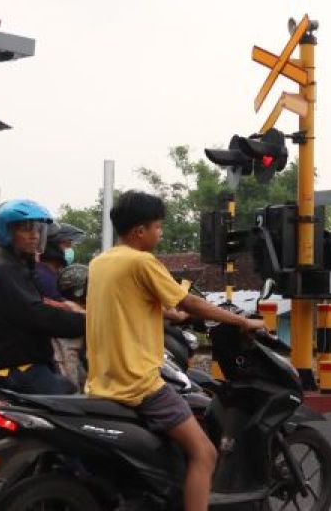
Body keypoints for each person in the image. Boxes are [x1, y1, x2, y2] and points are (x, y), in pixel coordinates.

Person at [86, 190, 263, 511]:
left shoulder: (100, 262)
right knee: (205, 453)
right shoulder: (142, 261)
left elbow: (131, 302)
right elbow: (190, 301)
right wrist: (240, 321)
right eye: (158, 227)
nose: (160, 233)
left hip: (101, 381)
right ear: (140, 231)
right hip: (138, 383)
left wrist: (171, 314)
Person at [0, 200, 86, 394]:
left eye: (37, 229)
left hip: (26, 365)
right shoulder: (5, 270)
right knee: (70, 399)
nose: (34, 235)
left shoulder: (19, 268)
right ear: (7, 233)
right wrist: (87, 323)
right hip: (15, 368)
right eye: (26, 229)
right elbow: (36, 314)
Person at [35, 222, 85, 302]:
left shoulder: (54, 274)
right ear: (52, 245)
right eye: (67, 244)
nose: (70, 249)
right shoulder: (43, 276)